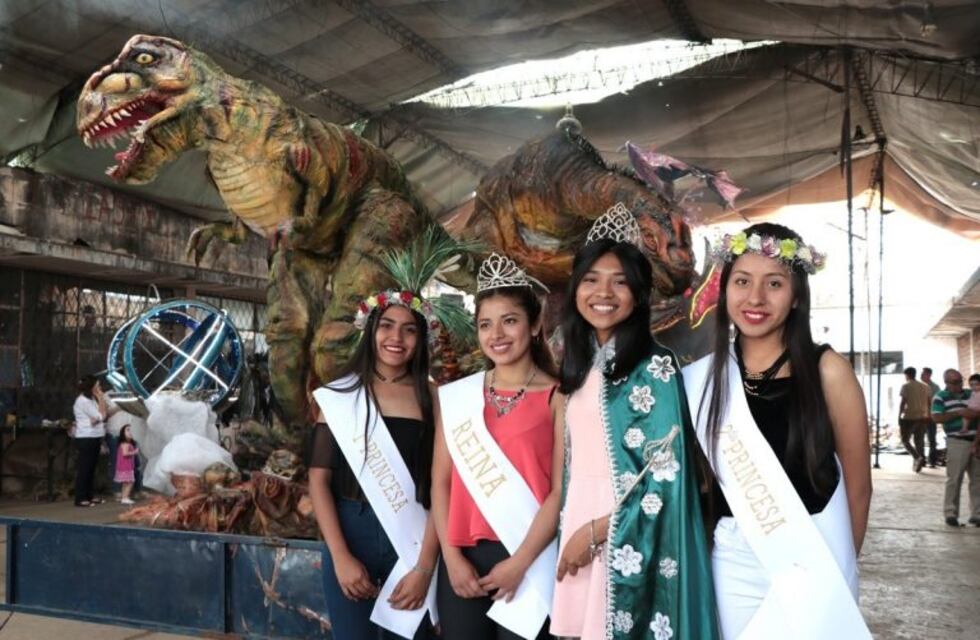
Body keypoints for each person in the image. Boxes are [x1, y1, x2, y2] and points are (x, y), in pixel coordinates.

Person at [683, 223, 872, 639]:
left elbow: (859, 487)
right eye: (742, 282)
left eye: (774, 284)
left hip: (816, 551)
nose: (756, 298)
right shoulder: (702, 380)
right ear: (725, 289)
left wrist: (838, 568)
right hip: (733, 559)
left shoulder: (828, 371)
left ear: (798, 294)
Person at [550, 204, 719, 640]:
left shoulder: (656, 367)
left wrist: (594, 533)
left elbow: (663, 475)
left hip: (622, 531)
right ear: (575, 290)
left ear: (638, 294)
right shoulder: (577, 363)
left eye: (619, 282)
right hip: (579, 520)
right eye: (591, 280)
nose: (603, 293)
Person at [308, 233, 462, 640]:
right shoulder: (340, 396)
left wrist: (425, 567)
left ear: (420, 338)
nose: (396, 338)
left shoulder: (436, 400)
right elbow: (319, 480)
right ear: (370, 329)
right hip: (349, 528)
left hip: (413, 537)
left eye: (409, 330)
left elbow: (442, 483)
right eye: (387, 326)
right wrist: (340, 556)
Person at [432, 253, 562, 640]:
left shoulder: (559, 397)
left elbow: (560, 490)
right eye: (486, 324)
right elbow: (441, 482)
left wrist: (520, 563)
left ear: (535, 324)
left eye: (510, 321)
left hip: (530, 558)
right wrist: (451, 559)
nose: (498, 335)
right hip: (463, 560)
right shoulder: (458, 397)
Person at [931, 369, 978, 527]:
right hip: (957, 441)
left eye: (960, 381)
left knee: (977, 479)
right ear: (947, 383)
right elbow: (937, 417)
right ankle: (951, 513)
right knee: (955, 478)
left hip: (975, 440)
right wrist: (959, 412)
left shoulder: (971, 394)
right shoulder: (940, 397)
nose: (959, 385)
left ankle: (977, 514)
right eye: (956, 382)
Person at [72, 374, 107, 507]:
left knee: (92, 468)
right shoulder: (83, 401)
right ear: (91, 387)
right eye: (97, 386)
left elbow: (99, 417)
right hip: (86, 437)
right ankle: (80, 498)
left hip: (94, 436)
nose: (100, 389)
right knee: (85, 468)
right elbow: (101, 415)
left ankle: (89, 495)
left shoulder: (91, 400)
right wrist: (101, 398)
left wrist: (97, 418)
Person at [898, 367, 931, 472]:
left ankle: (917, 458)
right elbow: (929, 403)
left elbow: (903, 402)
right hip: (923, 417)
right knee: (919, 441)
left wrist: (899, 415)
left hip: (909, 417)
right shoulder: (925, 386)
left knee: (905, 440)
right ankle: (918, 465)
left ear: (907, 375)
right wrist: (928, 415)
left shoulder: (906, 386)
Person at [921, 368, 941, 468]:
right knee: (919, 439)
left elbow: (938, 402)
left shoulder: (935, 387)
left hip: (931, 416)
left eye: (923, 374)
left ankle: (932, 460)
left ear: (929, 375)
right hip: (919, 416)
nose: (921, 375)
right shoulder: (918, 386)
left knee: (932, 439)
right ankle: (921, 460)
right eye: (921, 373)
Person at [114, 424, 139, 504]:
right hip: (126, 467)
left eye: (131, 430)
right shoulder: (126, 444)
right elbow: (125, 453)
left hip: (123, 467)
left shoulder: (126, 444)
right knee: (130, 482)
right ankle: (125, 497)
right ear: (122, 433)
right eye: (128, 430)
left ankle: (124, 497)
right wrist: (134, 452)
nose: (130, 432)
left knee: (125, 483)